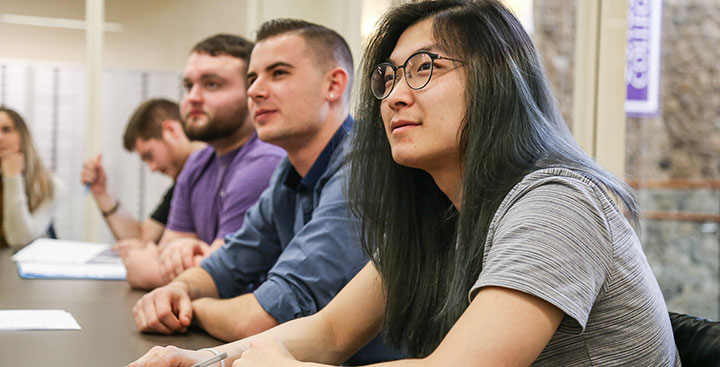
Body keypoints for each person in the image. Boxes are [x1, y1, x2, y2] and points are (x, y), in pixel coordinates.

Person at [129, 1, 681, 366]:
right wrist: (203, 361)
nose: (393, 96)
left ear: (497, 80)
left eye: (424, 68)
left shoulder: (558, 202)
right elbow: (327, 334)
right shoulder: (441, 214)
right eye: (390, 76)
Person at [131, 19, 398, 365]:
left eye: (279, 73)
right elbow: (226, 264)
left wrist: (191, 307)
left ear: (333, 84)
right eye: (252, 78)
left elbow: (265, 316)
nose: (255, 91)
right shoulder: (289, 172)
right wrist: (178, 289)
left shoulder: (364, 167)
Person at [123, 34, 285, 289]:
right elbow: (169, 251)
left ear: (251, 92)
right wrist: (181, 254)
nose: (193, 98)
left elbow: (216, 276)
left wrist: (143, 263)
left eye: (211, 85)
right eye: (188, 86)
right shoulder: (198, 162)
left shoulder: (263, 161)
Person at [81, 99, 205, 252]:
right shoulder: (183, 183)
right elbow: (144, 238)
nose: (152, 168)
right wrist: (102, 192)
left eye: (150, 155)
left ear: (172, 131)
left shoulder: (214, 172)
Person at [0, 106, 62, 248]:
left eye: (6, 130)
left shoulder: (50, 185)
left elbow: (19, 238)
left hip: (17, 268)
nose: (0, 137)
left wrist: (13, 178)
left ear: (23, 135)